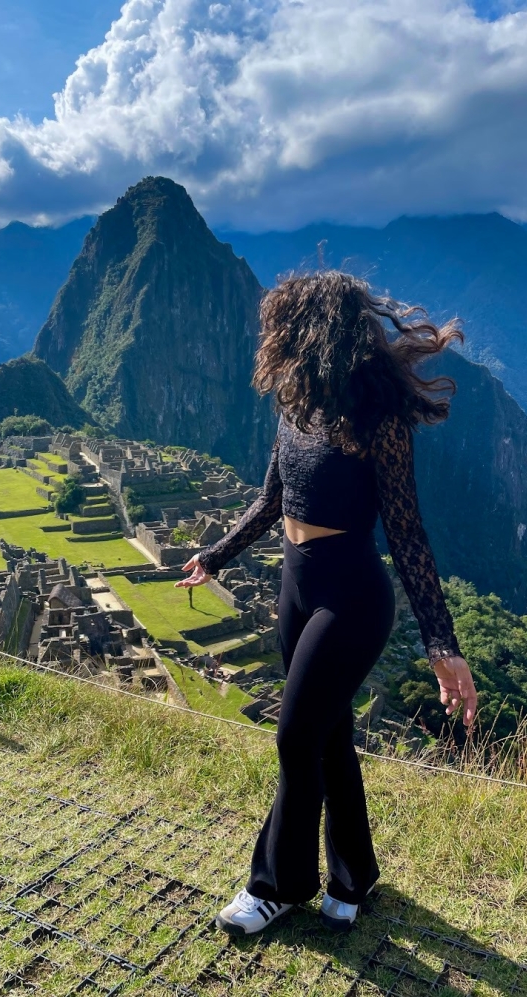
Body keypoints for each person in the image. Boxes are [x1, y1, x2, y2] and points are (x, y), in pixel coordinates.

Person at [174, 271, 478, 936]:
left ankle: (276, 885)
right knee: (330, 735)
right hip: (296, 585)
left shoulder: (378, 418)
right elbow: (271, 499)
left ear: (314, 330)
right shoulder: (294, 402)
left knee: (294, 734)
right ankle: (354, 875)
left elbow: (408, 531)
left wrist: (441, 642)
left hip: (351, 594)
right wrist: (215, 554)